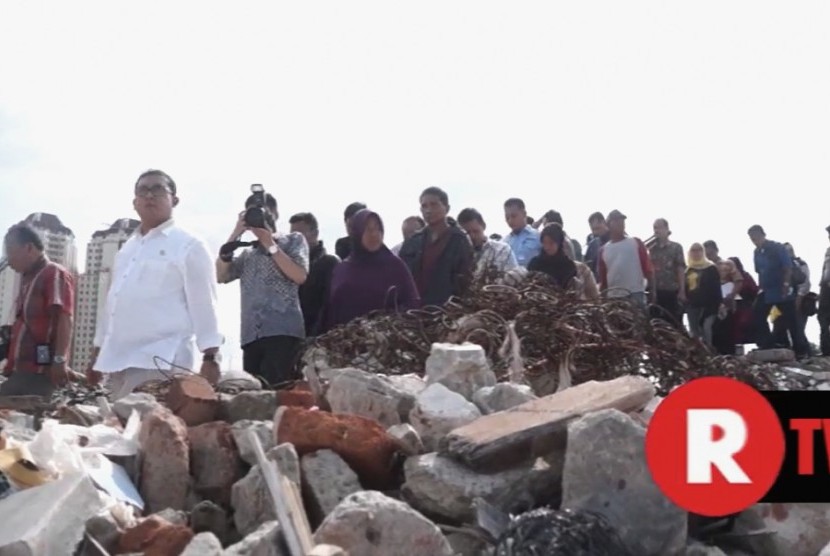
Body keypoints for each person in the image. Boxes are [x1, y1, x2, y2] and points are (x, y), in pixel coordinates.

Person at [88, 170, 223, 399]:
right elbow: (114, 302)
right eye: (143, 190)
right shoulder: (127, 249)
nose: (149, 195)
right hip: (117, 362)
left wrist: (211, 357)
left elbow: (204, 303)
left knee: (149, 430)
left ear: (175, 200)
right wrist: (97, 353)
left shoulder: (189, 245)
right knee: (116, 430)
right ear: (135, 202)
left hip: (161, 360)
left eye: (158, 189)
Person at [217, 191, 309, 385]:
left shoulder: (293, 240)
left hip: (283, 332)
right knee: (253, 394)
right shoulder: (247, 253)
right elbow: (221, 276)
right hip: (251, 335)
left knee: (279, 391)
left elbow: (299, 275)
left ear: (275, 213)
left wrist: (270, 244)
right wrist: (235, 234)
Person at [0, 224, 75, 397]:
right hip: (20, 371)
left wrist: (59, 360)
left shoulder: (54, 273)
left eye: (11, 252)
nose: (9, 260)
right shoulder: (27, 279)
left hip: (39, 372)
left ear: (29, 248)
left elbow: (64, 317)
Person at [320, 210, 420, 332]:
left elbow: (412, 303)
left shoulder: (395, 265)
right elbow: (331, 312)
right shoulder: (342, 269)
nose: (374, 234)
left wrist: (385, 324)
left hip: (386, 341)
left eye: (377, 229)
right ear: (357, 233)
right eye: (367, 229)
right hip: (346, 342)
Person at [399, 187, 474, 306]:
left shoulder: (459, 240)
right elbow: (402, 277)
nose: (428, 210)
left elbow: (464, 281)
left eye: (434, 205)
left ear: (447, 208)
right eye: (424, 206)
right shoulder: (413, 241)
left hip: (446, 311)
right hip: (414, 310)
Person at [747, 225, 809, 358]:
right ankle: (767, 343)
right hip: (767, 290)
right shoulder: (757, 252)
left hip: (782, 289)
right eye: (752, 238)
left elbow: (787, 267)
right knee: (757, 312)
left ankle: (801, 350)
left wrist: (786, 284)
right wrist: (760, 287)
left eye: (756, 237)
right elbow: (759, 271)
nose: (755, 240)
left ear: (763, 235)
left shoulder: (777, 248)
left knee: (791, 320)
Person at [289, 212, 340, 337]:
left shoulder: (329, 263)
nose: (295, 240)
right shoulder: (288, 266)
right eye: (292, 236)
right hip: (292, 337)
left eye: (300, 235)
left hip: (321, 337)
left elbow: (330, 304)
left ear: (315, 234)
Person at [597, 210, 655, 309]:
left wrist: (653, 292)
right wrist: (602, 299)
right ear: (608, 225)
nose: (620, 223)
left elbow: (648, 269)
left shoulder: (636, 243)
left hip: (635, 293)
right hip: (614, 297)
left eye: (622, 220)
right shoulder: (604, 250)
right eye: (616, 221)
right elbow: (603, 279)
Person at [528, 223, 599, 300]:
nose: (547, 247)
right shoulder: (535, 264)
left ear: (559, 243)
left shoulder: (569, 267)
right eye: (545, 243)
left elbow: (593, 296)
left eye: (551, 243)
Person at [456, 208, 518, 278]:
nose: (472, 236)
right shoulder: (456, 255)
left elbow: (514, 279)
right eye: (467, 233)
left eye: (476, 231)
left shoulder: (502, 250)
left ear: (484, 226)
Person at [648, 218, 686, 327]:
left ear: (666, 229)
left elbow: (680, 269)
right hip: (657, 291)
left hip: (672, 290)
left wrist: (682, 290)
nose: (656, 231)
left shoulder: (676, 247)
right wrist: (652, 291)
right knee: (657, 323)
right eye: (654, 228)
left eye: (659, 227)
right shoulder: (652, 249)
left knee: (673, 323)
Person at [684, 243, 722, 349]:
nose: (696, 253)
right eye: (693, 251)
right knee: (694, 332)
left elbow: (716, 288)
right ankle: (699, 355)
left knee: (706, 327)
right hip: (692, 305)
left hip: (708, 305)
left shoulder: (710, 268)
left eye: (699, 250)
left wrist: (718, 304)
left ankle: (709, 352)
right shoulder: (688, 270)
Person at [503, 198, 541, 267]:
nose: (510, 221)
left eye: (514, 216)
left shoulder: (538, 237)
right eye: (507, 217)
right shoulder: (504, 242)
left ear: (524, 214)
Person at [584, 211, 610, 279]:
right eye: (593, 229)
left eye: (597, 228)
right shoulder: (592, 245)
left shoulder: (615, 240)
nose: (595, 232)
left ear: (604, 223)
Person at [819, 225, 830, 356]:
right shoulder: (828, 251)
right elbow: (825, 270)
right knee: (822, 318)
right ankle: (826, 349)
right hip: (826, 288)